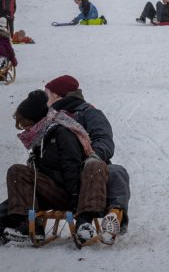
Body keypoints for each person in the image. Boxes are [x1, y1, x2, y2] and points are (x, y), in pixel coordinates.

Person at [0, 90, 106, 244]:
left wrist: (75, 200)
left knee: (18, 172)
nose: (25, 130)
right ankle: (25, 224)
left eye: (26, 125)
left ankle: (26, 225)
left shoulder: (61, 133)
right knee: (18, 171)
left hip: (69, 193)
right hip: (50, 189)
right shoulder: (41, 136)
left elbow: (72, 167)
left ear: (35, 119)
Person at [42, 75, 131, 243]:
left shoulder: (89, 113)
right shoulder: (48, 118)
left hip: (89, 173)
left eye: (48, 94)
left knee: (117, 172)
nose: (45, 98)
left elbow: (104, 141)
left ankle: (114, 216)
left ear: (57, 95)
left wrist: (90, 158)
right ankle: (14, 220)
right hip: (59, 177)